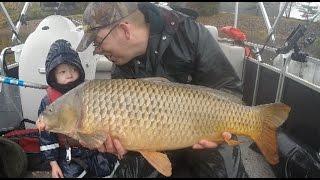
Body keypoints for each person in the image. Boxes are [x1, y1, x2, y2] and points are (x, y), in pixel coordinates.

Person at [76, 2, 247, 178]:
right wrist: (123, 144)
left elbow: (229, 89)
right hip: (158, 142)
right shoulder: (121, 68)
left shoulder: (189, 33)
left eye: (98, 42)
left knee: (224, 170)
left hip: (204, 135)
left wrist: (219, 135)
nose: (97, 51)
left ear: (125, 30)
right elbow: (134, 130)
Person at [37, 39, 119, 178]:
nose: (69, 74)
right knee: (71, 173)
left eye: (73, 70)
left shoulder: (89, 91)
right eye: (62, 72)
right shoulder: (48, 103)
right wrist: (53, 164)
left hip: (95, 149)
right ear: (53, 76)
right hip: (70, 152)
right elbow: (47, 139)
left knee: (107, 168)